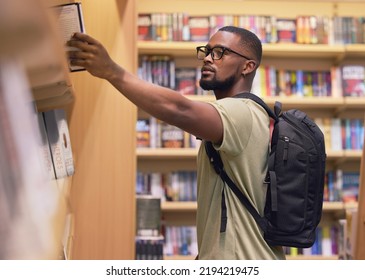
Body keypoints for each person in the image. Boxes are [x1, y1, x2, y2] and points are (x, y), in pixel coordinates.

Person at [68, 26, 285, 260]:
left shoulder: (241, 111)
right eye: (207, 51)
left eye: (220, 52)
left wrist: (112, 71)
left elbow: (178, 108)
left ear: (248, 66)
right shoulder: (250, 113)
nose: (209, 59)